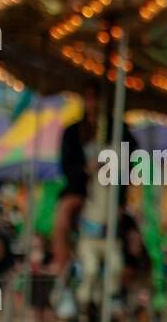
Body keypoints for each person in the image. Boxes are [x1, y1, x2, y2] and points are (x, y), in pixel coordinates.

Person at [51, 85, 140, 275]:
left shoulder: (118, 129)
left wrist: (121, 195)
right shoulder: (73, 131)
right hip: (81, 189)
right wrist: (85, 169)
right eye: (90, 99)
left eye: (97, 99)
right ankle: (63, 264)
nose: (93, 103)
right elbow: (66, 166)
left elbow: (131, 159)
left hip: (111, 189)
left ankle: (133, 267)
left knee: (134, 226)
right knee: (63, 215)